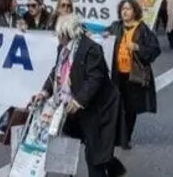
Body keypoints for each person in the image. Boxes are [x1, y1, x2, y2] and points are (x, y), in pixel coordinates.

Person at [32, 14, 126, 177]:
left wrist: (78, 101)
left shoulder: (91, 49)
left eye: (59, 33)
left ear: (67, 33)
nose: (57, 37)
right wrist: (44, 92)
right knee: (70, 143)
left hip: (98, 107)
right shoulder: (62, 48)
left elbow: (95, 79)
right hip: (73, 105)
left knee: (94, 153)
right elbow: (56, 72)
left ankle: (106, 166)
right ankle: (109, 163)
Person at [105, 0, 161, 149]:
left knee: (130, 109)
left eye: (128, 9)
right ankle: (117, 136)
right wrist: (103, 36)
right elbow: (103, 36)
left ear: (135, 11)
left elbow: (155, 49)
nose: (125, 11)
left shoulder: (142, 29)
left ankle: (125, 138)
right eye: (123, 9)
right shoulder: (116, 27)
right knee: (116, 106)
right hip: (116, 74)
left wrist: (137, 47)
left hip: (133, 75)